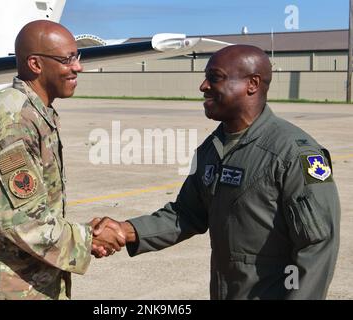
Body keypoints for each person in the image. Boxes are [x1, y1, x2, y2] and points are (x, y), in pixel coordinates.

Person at [94, 44, 341, 300]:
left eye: (215, 78)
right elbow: (187, 214)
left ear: (252, 84)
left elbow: (317, 246)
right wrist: (125, 230)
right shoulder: (210, 149)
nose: (203, 86)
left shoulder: (294, 154)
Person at [0, 20, 123, 300]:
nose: (78, 67)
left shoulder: (34, 113)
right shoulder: (14, 122)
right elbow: (22, 221)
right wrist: (88, 239)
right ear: (35, 64)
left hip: (21, 277)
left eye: (77, 57)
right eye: (67, 60)